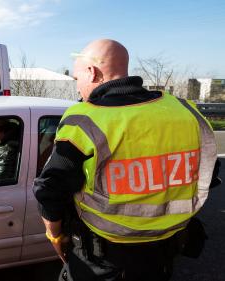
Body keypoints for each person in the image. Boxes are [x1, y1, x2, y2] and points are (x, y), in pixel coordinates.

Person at [33, 39, 220, 281]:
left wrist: (56, 237)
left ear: (92, 73)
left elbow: (49, 189)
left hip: (105, 260)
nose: (78, 89)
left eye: (77, 79)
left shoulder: (85, 118)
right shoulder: (186, 111)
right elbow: (210, 170)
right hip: (165, 253)